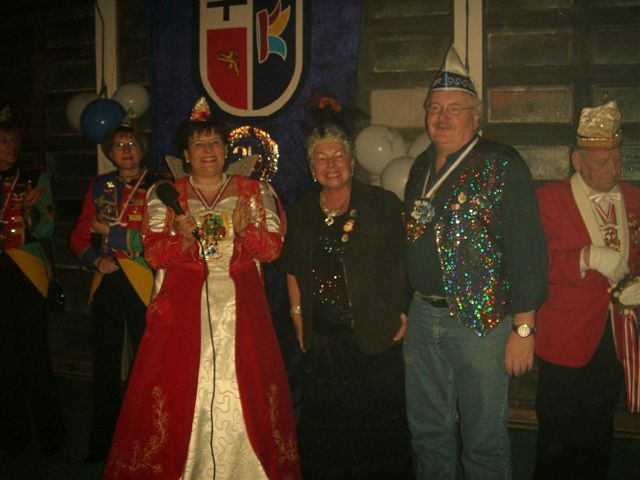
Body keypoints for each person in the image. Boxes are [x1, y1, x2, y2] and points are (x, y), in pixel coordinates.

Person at [103, 98, 300, 480]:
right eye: (198, 144)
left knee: (247, 392)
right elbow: (154, 255)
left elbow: (272, 251)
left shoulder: (254, 190)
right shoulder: (164, 194)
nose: (208, 151)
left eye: (215, 143)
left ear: (226, 150)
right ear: (185, 154)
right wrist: (181, 238)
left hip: (243, 312)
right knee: (176, 393)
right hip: (182, 312)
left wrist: (244, 231)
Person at [402, 45, 548, 479]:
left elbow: (527, 250)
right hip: (423, 314)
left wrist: (524, 329)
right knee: (427, 433)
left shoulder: (502, 164)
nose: (442, 117)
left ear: (476, 117)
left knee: (483, 440)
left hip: (481, 321)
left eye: (455, 109)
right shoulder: (420, 167)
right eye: (435, 108)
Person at [276, 97, 413, 479]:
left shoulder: (382, 204)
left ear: (353, 162)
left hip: (374, 335)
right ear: (311, 168)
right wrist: (298, 316)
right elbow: (292, 267)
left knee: (377, 429)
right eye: (322, 158)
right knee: (329, 430)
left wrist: (405, 310)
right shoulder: (302, 211)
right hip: (324, 342)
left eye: (339, 156)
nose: (331, 164)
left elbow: (407, 261)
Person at [534, 100, 640, 479]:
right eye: (602, 162)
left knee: (598, 435)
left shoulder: (634, 198)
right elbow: (534, 264)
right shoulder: (549, 198)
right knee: (557, 438)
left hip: (614, 338)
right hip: (564, 340)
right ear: (576, 161)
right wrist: (584, 256)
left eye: (617, 160)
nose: (613, 169)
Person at [69, 115, 157, 463]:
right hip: (107, 281)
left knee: (145, 365)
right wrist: (93, 259)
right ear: (110, 152)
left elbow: (158, 238)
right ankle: (103, 444)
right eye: (119, 146)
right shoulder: (99, 185)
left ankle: (146, 441)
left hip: (144, 283)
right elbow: (78, 236)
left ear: (142, 149)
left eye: (132, 144)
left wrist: (114, 237)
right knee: (105, 365)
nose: (126, 150)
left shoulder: (158, 186)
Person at [0, 106, 65, 455]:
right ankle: (14, 435)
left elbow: (47, 229)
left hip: (27, 273)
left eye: (14, 140)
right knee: (5, 359)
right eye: (4, 140)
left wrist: (29, 211)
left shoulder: (35, 178)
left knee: (36, 357)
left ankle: (52, 437)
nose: (11, 146)